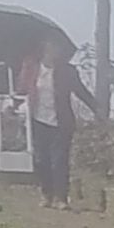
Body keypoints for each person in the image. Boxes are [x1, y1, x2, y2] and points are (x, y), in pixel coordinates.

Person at [29, 39, 86, 206]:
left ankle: (61, 198)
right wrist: (12, 105)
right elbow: (22, 90)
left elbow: (81, 91)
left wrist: (97, 109)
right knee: (41, 160)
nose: (56, 52)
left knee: (59, 160)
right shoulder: (33, 69)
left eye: (59, 49)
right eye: (53, 48)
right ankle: (46, 194)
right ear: (46, 49)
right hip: (38, 120)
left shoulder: (68, 72)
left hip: (62, 123)